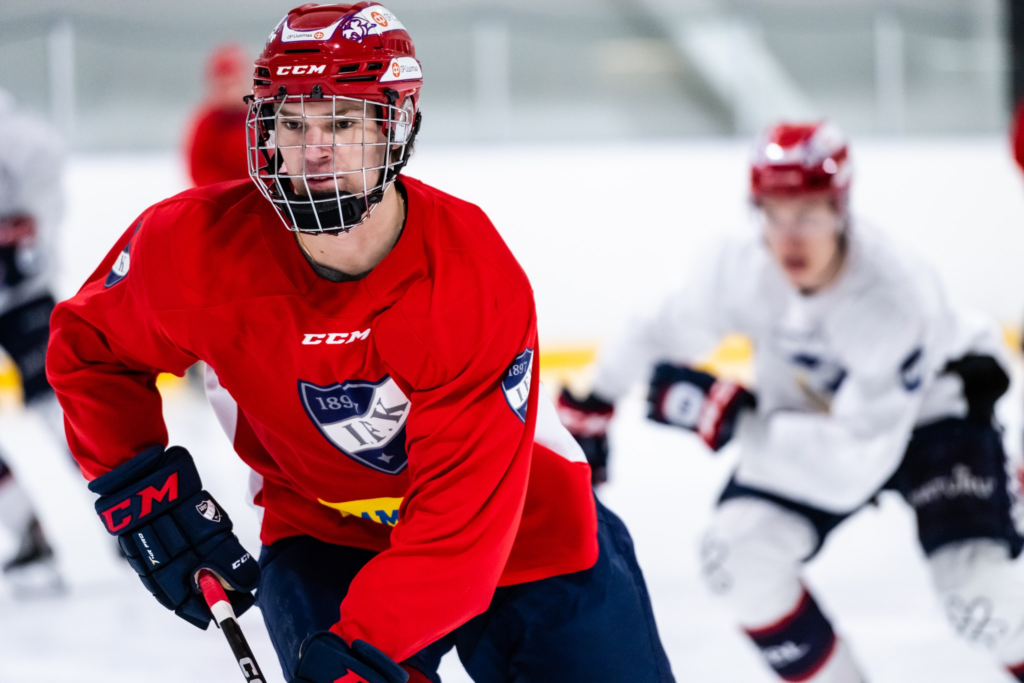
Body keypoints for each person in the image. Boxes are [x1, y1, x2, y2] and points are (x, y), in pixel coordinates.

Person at [47, 4, 674, 683]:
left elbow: (459, 532)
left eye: (342, 121)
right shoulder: (192, 248)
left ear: (393, 128)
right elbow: (90, 346)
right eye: (291, 122)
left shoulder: (465, 274)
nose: (313, 148)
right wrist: (141, 486)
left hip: (522, 528)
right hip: (327, 538)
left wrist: (358, 650)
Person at [559, 121, 1024, 682]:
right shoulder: (739, 264)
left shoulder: (892, 297)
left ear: (841, 207)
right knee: (737, 558)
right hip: (813, 423)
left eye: (809, 213)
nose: (790, 236)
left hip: (935, 415)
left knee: (980, 600)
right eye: (773, 213)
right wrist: (597, 396)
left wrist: (736, 422)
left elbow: (853, 464)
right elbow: (656, 327)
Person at [0, 89, 70, 586]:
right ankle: (25, 528)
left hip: (22, 294)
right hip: (24, 290)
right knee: (60, 406)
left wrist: (29, 233)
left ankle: (131, 516)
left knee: (61, 405)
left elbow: (42, 212)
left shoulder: (21, 139)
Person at [183, 43, 251, 188]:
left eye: (233, 83)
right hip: (221, 201)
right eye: (224, 85)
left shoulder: (258, 117)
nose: (230, 91)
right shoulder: (207, 123)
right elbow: (199, 171)